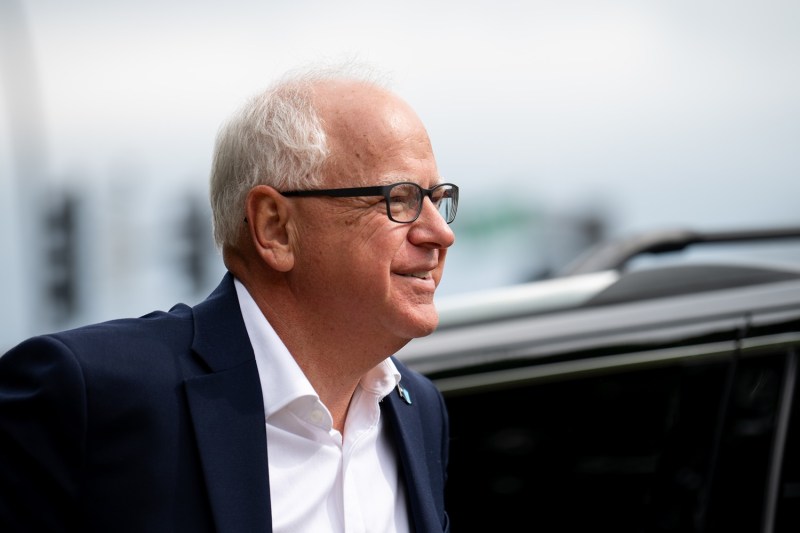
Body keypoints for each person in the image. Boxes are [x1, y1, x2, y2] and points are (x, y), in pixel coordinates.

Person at [0, 65, 457, 532]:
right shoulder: (89, 396)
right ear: (275, 227)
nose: (441, 233)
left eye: (437, 199)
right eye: (400, 199)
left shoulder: (417, 409)